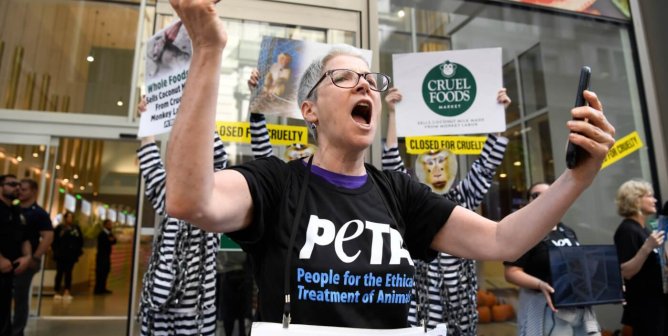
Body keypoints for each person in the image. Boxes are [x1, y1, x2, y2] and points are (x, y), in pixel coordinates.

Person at [164, 0, 615, 329]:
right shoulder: (275, 184)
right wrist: (207, 48)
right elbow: (189, 198)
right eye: (343, 77)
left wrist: (579, 176)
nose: (364, 85)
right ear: (310, 109)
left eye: (370, 80)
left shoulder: (398, 193)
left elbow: (503, 239)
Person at [382, 87, 510, 334]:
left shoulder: (461, 199)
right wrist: (393, 114)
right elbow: (392, 165)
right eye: (430, 165)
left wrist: (498, 115)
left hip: (458, 309)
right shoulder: (412, 202)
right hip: (419, 311)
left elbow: (485, 166)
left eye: (442, 164)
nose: (437, 171)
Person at [137, 98, 224, 336]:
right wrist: (148, 123)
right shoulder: (172, 194)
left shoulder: (215, 197)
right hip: (157, 307)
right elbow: (152, 169)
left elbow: (215, 155)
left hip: (194, 314)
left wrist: (197, 112)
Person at [504, 182, 600, 336]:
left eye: (549, 194)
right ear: (527, 202)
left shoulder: (567, 231)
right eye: (536, 195)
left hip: (577, 307)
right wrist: (540, 284)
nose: (543, 198)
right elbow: (511, 272)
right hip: (544, 308)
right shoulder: (524, 231)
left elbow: (579, 266)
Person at [613, 180, 668, 336]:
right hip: (646, 306)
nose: (655, 200)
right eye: (650, 196)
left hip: (657, 304)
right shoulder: (627, 230)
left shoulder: (643, 229)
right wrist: (647, 247)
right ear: (635, 200)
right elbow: (626, 271)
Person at [13, 179, 53, 336]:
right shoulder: (13, 209)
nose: (20, 192)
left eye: (24, 189)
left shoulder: (38, 213)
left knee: (20, 297)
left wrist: (35, 258)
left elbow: (48, 236)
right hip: (9, 257)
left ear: (33, 191)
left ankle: (17, 330)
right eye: (19, 189)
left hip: (27, 260)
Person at [0, 175, 30, 336]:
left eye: (18, 185)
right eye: (12, 184)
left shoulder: (16, 210)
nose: (17, 188)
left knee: (5, 312)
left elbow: (24, 238)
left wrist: (27, 257)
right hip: (2, 265)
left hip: (10, 270)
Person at [52, 211, 83, 301]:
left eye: (71, 217)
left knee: (69, 273)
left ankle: (67, 290)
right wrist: (56, 251)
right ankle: (57, 290)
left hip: (71, 255)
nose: (70, 219)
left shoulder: (76, 228)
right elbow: (55, 241)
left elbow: (80, 241)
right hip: (61, 254)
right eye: (68, 217)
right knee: (59, 272)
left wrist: (76, 251)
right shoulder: (59, 228)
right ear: (65, 218)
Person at [94, 219, 116, 295]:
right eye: (109, 224)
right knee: (100, 272)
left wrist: (111, 240)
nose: (110, 226)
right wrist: (110, 240)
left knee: (105, 272)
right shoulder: (102, 234)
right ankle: (98, 289)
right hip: (101, 256)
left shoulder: (110, 234)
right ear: (105, 225)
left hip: (107, 256)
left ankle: (103, 288)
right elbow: (107, 242)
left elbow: (114, 241)